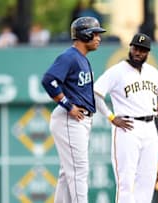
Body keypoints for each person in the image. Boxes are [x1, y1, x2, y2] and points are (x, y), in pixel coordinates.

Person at [93, 33, 158, 203]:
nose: (138, 52)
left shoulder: (152, 72)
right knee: (125, 182)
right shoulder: (117, 71)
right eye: (135, 48)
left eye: (142, 50)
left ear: (147, 53)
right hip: (127, 127)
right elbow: (96, 93)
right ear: (130, 48)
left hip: (150, 127)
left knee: (148, 180)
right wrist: (111, 117)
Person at [41, 16, 106, 203]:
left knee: (67, 173)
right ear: (84, 35)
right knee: (79, 171)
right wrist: (67, 105)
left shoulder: (81, 59)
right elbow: (49, 80)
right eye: (95, 34)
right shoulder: (69, 56)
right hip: (70, 120)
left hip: (79, 120)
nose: (98, 38)